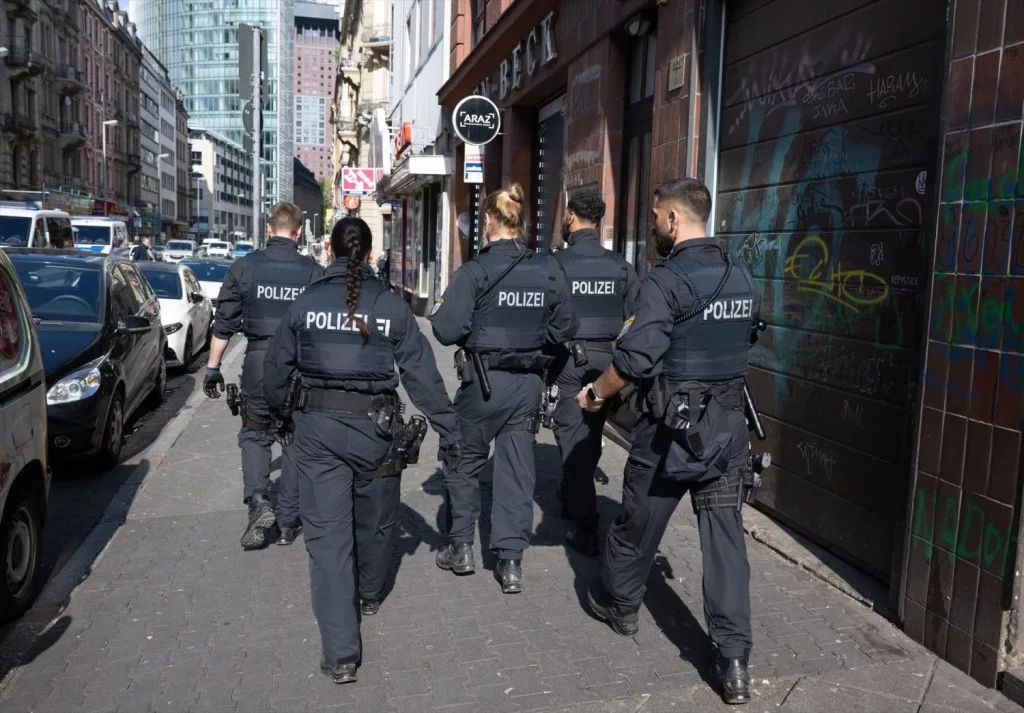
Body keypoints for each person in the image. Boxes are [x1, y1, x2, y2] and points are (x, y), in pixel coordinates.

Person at [576, 178, 761, 705]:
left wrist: (593, 394)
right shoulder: (740, 275)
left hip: (669, 433)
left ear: (675, 219)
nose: (654, 225)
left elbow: (633, 361)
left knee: (637, 523)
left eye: (656, 216)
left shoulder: (665, 280)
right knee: (725, 543)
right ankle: (734, 662)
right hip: (726, 431)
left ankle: (622, 606)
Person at [263, 217, 461, 683]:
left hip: (316, 436)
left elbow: (274, 374)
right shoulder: (391, 306)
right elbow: (422, 377)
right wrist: (449, 428)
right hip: (376, 433)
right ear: (370, 255)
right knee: (376, 521)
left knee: (328, 542)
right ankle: (370, 594)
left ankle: (342, 655)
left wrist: (279, 417)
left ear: (329, 252)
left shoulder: (305, 304)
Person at [430, 183, 578, 594]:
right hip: (529, 382)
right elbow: (566, 326)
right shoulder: (547, 268)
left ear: (491, 221)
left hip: (484, 383)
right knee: (517, 469)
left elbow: (445, 329)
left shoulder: (475, 271)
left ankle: (461, 547)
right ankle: (510, 561)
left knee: (462, 459)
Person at [203, 202, 325, 550]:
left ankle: (258, 501)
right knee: (293, 437)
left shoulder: (244, 268)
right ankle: (288, 523)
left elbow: (224, 324)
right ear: (299, 231)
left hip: (257, 360)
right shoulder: (313, 272)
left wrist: (213, 368)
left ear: (268, 229)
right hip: (298, 365)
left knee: (255, 435)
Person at [549, 190, 639, 556]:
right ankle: (574, 495)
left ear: (570, 216)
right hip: (610, 364)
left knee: (573, 443)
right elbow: (637, 321)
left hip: (571, 362)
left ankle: (586, 527)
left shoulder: (556, 264)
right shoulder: (621, 266)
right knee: (590, 434)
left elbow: (546, 319)